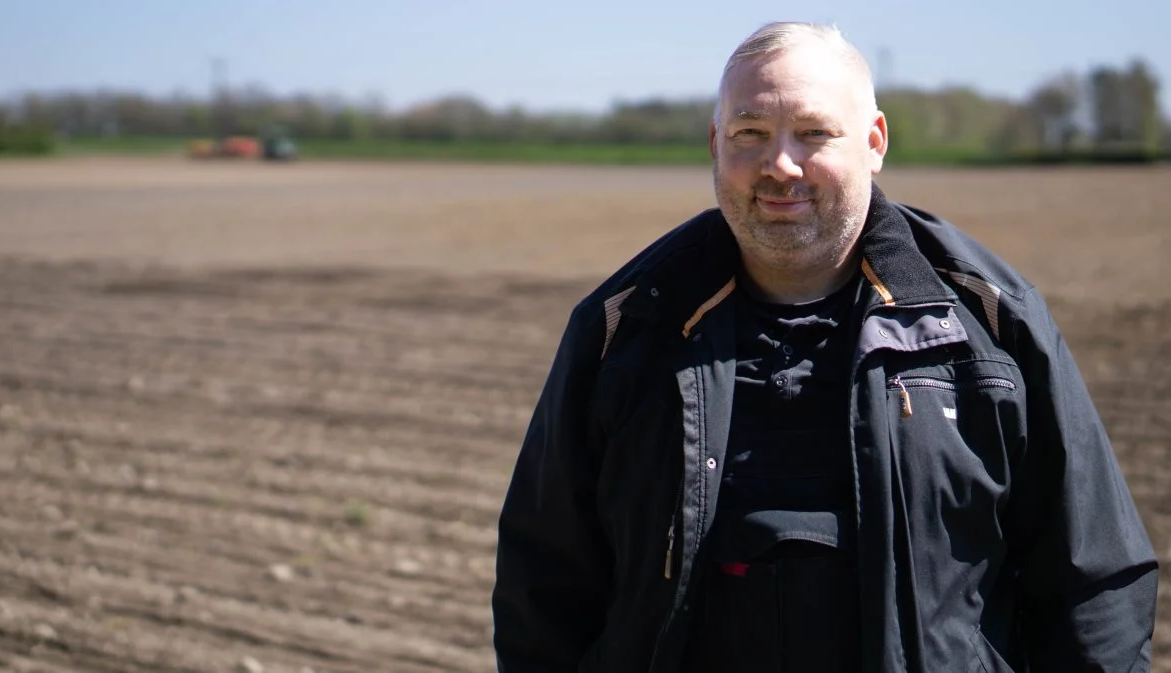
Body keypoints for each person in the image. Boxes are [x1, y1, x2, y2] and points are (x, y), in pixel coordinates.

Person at [491, 20, 1159, 673]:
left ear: (873, 142)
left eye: (814, 134)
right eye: (751, 134)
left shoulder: (989, 324)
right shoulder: (626, 326)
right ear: (715, 143)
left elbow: (1092, 576)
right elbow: (542, 586)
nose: (780, 165)